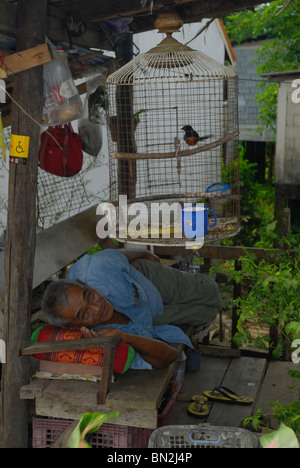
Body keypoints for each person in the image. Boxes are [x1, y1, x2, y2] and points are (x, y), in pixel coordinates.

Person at [41, 248, 221, 370]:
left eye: (89, 295)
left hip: (148, 277)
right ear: (74, 327)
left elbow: (116, 255)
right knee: (206, 313)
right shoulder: (101, 339)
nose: (97, 308)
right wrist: (124, 337)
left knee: (209, 291)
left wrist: (143, 253)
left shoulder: (96, 268)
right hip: (150, 316)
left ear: (82, 283)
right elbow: (167, 358)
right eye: (84, 314)